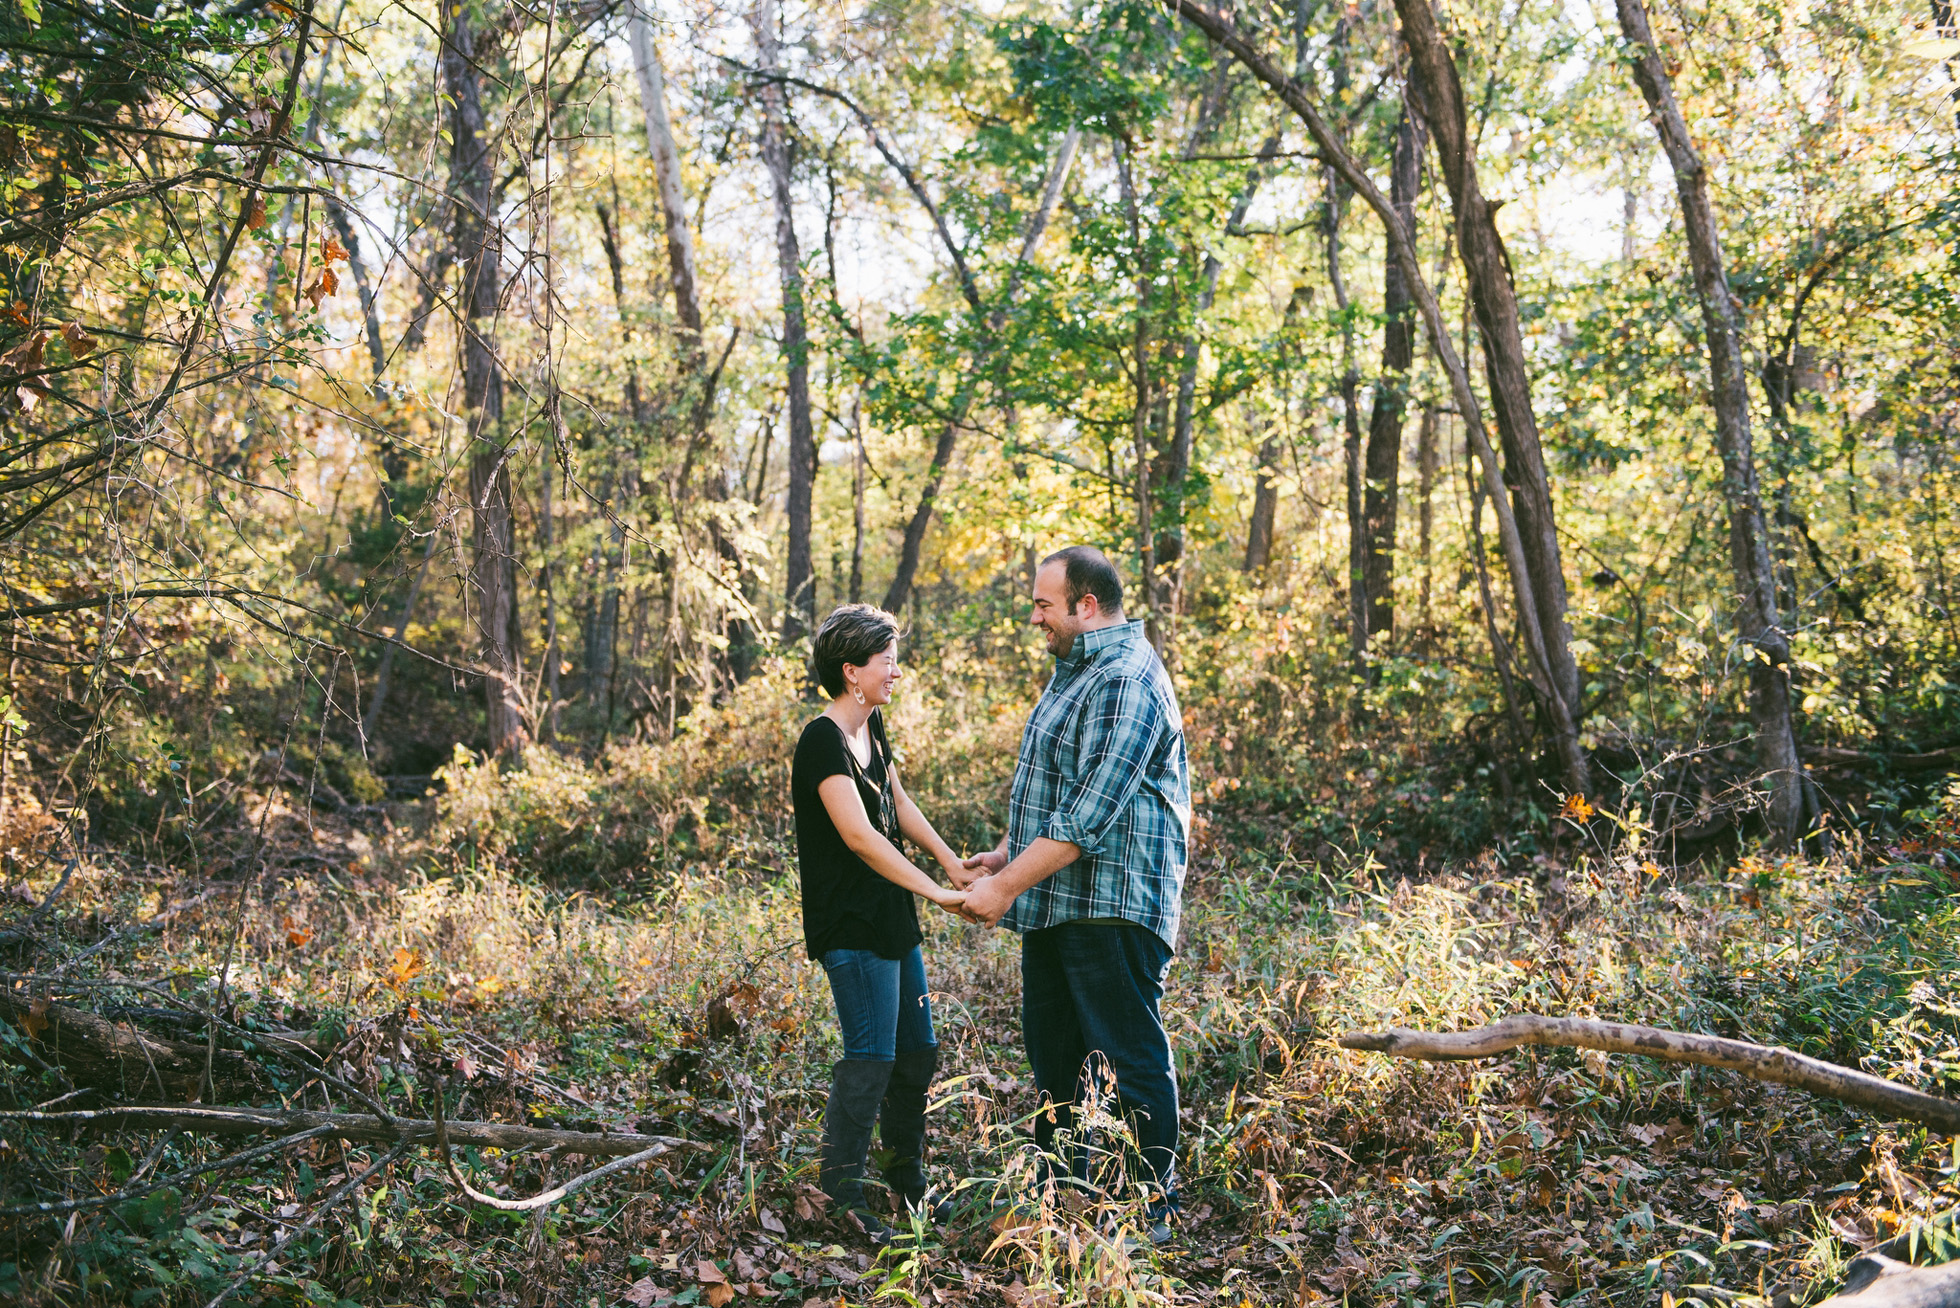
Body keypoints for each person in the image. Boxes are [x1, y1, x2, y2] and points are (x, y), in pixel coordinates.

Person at [955, 546, 1190, 1244]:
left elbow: (1089, 817)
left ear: (1086, 607)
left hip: (1112, 903)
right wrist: (1004, 855)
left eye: (1043, 605)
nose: (1034, 618)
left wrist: (1002, 886)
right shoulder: (1079, 672)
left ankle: (1152, 1208)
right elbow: (1063, 790)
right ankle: (1059, 1203)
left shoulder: (1124, 678)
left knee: (1129, 1053)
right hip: (1060, 901)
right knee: (1057, 1059)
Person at [793, 603, 969, 1244]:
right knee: (870, 1057)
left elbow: (895, 800)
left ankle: (905, 1180)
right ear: (850, 670)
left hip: (891, 917)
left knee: (917, 1051)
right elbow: (861, 837)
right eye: (884, 659)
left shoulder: (873, 729)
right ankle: (839, 1192)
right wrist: (935, 893)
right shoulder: (822, 740)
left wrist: (950, 864)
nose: (895, 670)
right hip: (851, 924)